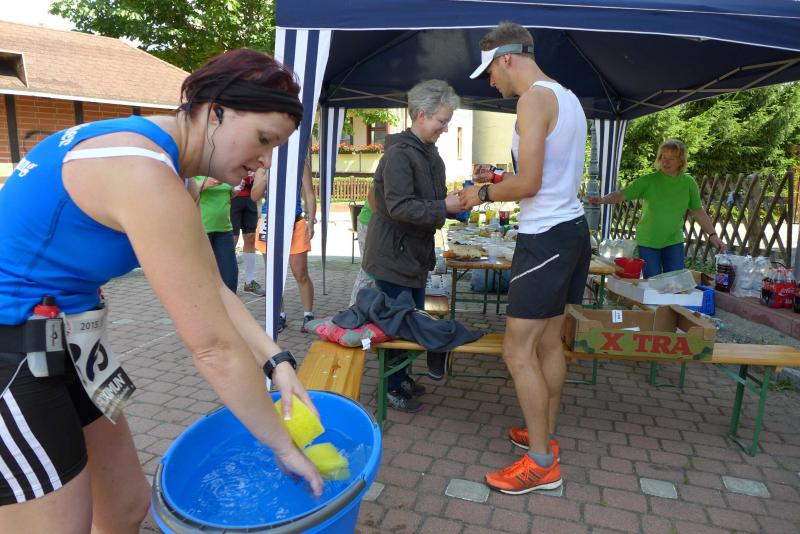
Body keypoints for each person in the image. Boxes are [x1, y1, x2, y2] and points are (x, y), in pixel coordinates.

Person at [0, 49, 323, 532]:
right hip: (12, 347)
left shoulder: (165, 164)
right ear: (215, 109)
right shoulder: (144, 172)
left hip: (66, 340)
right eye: (263, 139)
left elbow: (211, 286)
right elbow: (212, 348)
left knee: (125, 507)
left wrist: (276, 361)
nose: (265, 160)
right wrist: (281, 443)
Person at [461, 22, 591, 494]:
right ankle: (544, 436)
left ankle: (540, 463)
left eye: (490, 72)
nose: (491, 82)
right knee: (549, 343)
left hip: (546, 237)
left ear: (507, 59)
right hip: (571, 230)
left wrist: (478, 193)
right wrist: (499, 180)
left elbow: (530, 184)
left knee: (516, 351)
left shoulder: (532, 100)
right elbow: (549, 173)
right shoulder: (568, 97)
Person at [362, 79, 464, 412]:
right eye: (442, 121)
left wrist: (457, 204)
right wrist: (443, 206)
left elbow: (430, 203)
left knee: (410, 321)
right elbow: (400, 207)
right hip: (393, 255)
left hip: (413, 256)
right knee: (396, 324)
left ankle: (401, 376)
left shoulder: (428, 153)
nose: (445, 129)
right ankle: (391, 386)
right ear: (421, 115)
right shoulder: (400, 154)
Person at [589, 139, 726, 277]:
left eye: (671, 159)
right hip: (648, 241)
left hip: (673, 241)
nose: (665, 162)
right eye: (663, 157)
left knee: (674, 281)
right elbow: (621, 194)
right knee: (652, 282)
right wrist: (603, 200)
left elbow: (698, 211)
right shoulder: (648, 181)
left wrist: (713, 235)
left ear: (680, 162)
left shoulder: (689, 183)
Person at [252, 159, 316, 332]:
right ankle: (279, 315)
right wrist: (266, 177)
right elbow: (254, 196)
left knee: (300, 273)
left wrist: (311, 221)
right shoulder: (264, 164)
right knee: (274, 274)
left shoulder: (299, 161)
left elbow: (309, 194)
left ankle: (308, 314)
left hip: (295, 223)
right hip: (269, 224)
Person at [196, 176, 238, 293]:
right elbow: (184, 190)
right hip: (202, 230)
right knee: (202, 275)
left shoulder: (224, 173)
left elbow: (229, 195)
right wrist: (204, 184)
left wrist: (235, 190)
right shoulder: (195, 171)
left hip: (224, 230)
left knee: (230, 276)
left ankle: (228, 303)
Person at [231, 171, 266, 296]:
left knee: (250, 238)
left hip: (250, 197)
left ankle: (249, 282)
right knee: (232, 239)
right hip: (232, 196)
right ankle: (226, 282)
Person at [349, 187, 377, 306]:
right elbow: (372, 194)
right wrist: (380, 220)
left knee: (372, 272)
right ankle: (353, 308)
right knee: (368, 271)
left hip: (370, 223)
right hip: (370, 224)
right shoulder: (389, 174)